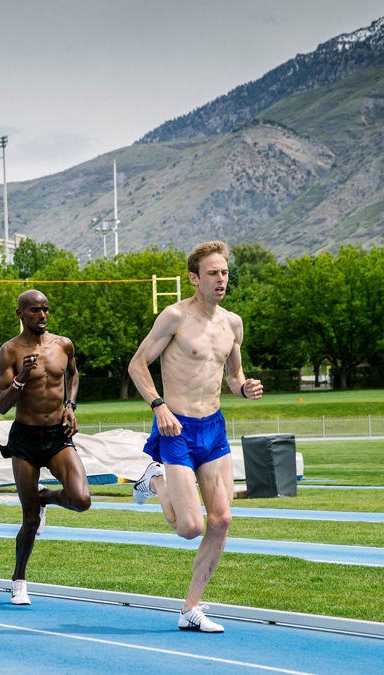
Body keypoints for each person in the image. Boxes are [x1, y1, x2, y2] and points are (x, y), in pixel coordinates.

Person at [127, 241, 264, 634]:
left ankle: (191, 608)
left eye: (224, 272)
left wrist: (245, 388)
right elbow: (137, 364)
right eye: (212, 273)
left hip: (214, 428)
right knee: (190, 528)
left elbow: (234, 376)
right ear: (194, 278)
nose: (221, 279)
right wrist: (158, 405)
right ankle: (154, 480)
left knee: (220, 520)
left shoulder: (232, 323)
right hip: (176, 428)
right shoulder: (174, 317)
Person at [0, 289, 90, 605]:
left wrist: (71, 405)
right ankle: (19, 579)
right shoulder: (9, 351)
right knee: (30, 518)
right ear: (20, 313)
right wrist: (21, 377)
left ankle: (48, 496)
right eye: (35, 310)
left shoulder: (63, 344)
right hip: (25, 440)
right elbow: (2, 404)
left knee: (81, 499)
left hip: (57, 435)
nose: (42, 315)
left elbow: (74, 376)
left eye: (46, 309)